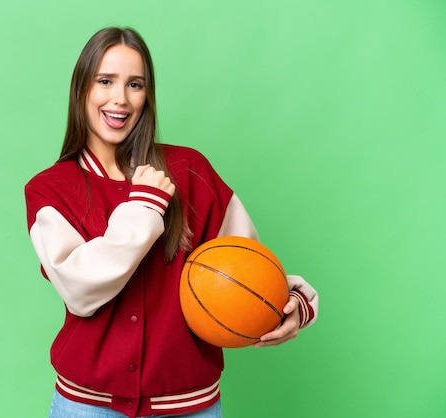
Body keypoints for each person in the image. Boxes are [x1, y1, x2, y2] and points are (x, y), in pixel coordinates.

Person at [24, 26, 318, 418]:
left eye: (135, 84)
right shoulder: (50, 189)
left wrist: (292, 303)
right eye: (105, 81)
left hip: (189, 407)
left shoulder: (190, 169)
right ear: (81, 90)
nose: (120, 99)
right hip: (86, 407)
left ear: (148, 96)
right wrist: (145, 207)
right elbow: (80, 291)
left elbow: (247, 267)